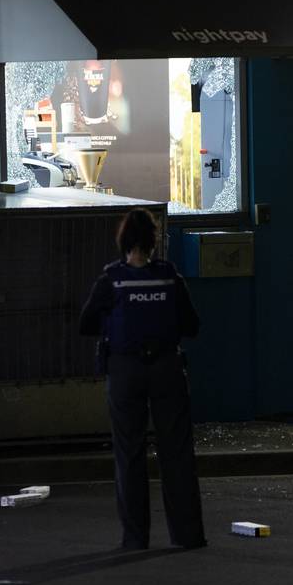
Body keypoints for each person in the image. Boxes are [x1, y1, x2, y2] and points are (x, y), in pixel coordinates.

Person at [80, 208, 206, 550]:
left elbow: (85, 323)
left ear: (123, 241)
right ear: (153, 241)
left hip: (125, 371)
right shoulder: (169, 277)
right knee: (177, 454)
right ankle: (188, 535)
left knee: (129, 453)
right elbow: (192, 326)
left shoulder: (112, 279)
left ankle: (135, 539)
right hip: (167, 369)